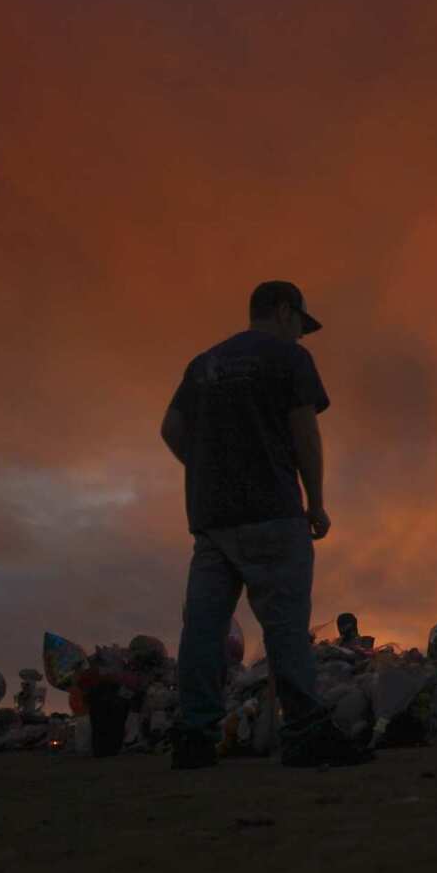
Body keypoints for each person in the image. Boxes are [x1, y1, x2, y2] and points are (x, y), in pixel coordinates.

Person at [160, 280, 370, 769]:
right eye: (300, 323)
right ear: (283, 311)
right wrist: (315, 502)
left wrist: (207, 468)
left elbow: (171, 429)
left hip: (211, 519)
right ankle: (304, 730)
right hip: (273, 510)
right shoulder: (287, 359)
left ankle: (194, 735)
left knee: (205, 628)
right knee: (285, 625)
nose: (301, 335)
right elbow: (305, 433)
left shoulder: (204, 364)